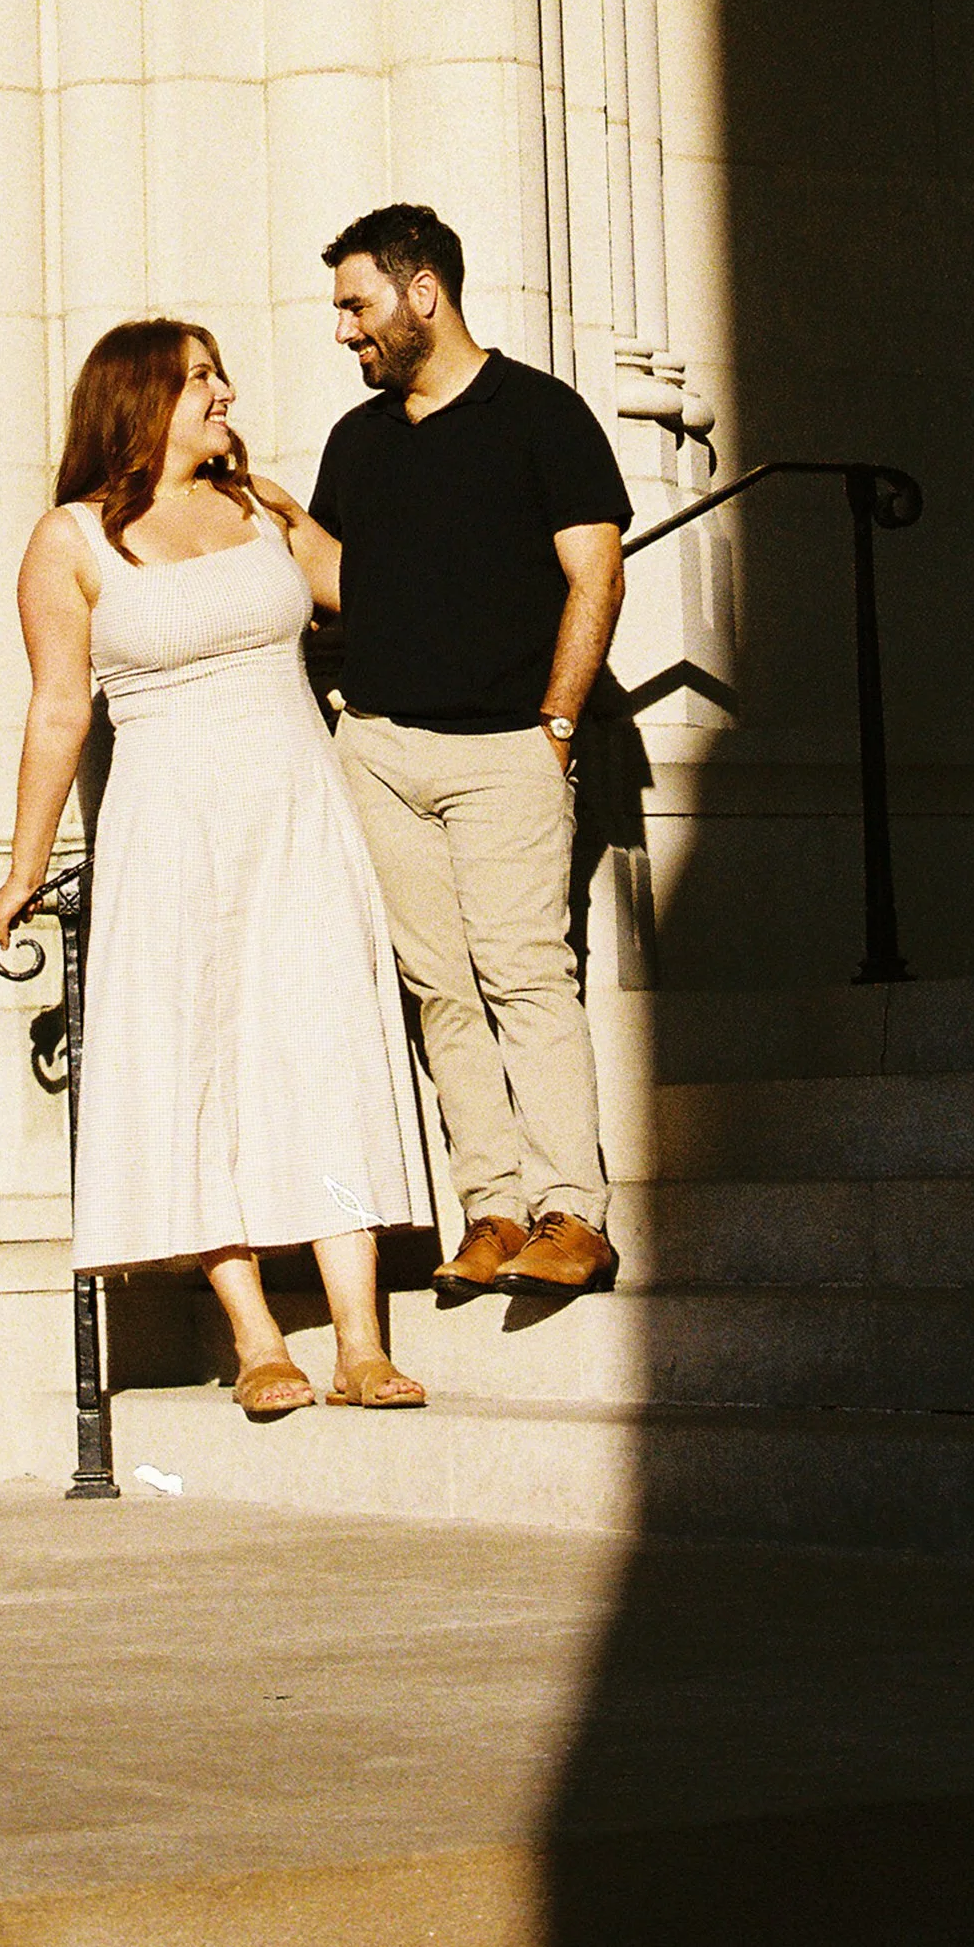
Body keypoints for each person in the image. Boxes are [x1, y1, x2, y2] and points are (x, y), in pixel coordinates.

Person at [0, 319, 435, 1416]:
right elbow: (56, 711)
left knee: (325, 1054)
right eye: (199, 379)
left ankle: (361, 1339)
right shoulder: (70, 540)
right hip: (168, 830)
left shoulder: (259, 504)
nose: (224, 391)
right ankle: (255, 1334)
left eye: (218, 372)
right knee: (198, 1066)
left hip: (295, 816)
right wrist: (21, 866)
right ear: (138, 400)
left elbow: (373, 594)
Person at [311, 205, 630, 1298]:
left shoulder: (541, 414)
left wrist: (554, 722)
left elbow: (596, 572)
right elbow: (336, 582)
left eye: (357, 303)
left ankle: (571, 1215)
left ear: (422, 293)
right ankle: (491, 1208)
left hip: (506, 746)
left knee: (525, 976)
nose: (344, 330)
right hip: (383, 750)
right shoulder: (356, 440)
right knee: (438, 988)